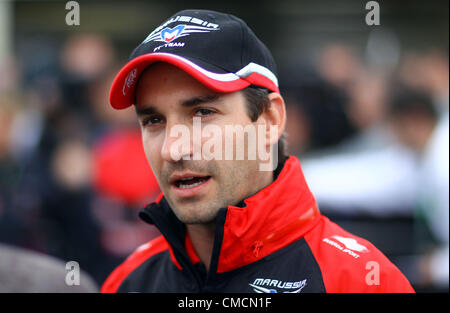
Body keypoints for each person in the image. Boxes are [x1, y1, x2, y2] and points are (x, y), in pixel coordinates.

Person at [101, 9, 414, 293]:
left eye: (202, 113)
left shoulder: (362, 282)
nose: (174, 148)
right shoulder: (127, 282)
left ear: (270, 120)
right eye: (154, 120)